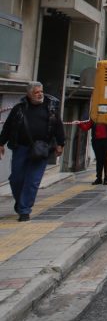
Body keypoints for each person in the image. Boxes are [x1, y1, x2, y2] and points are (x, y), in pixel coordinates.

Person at [0, 82, 66, 221]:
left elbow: (58, 126)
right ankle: (21, 202)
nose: (40, 94)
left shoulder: (50, 108)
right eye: (36, 92)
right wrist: (1, 143)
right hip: (21, 148)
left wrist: (61, 144)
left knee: (32, 181)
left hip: (42, 149)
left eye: (41, 91)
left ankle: (24, 210)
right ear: (29, 94)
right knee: (16, 179)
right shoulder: (19, 109)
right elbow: (8, 126)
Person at [75, 118, 107, 185]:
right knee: (99, 160)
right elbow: (86, 127)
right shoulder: (94, 118)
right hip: (96, 142)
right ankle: (99, 178)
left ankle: (106, 179)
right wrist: (79, 123)